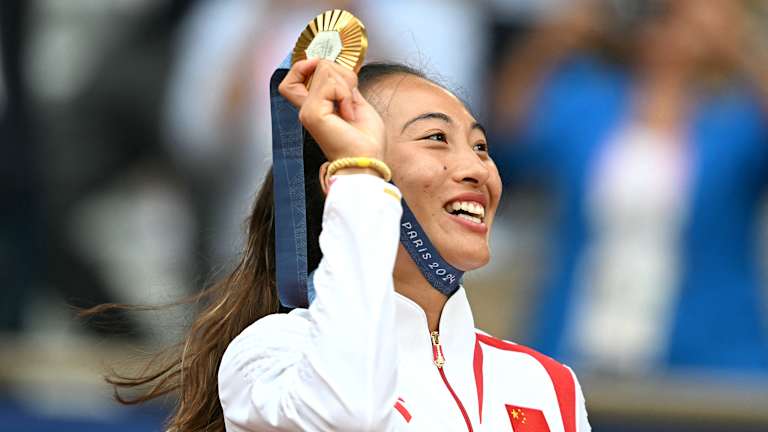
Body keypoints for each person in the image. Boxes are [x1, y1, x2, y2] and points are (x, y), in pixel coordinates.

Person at [94, 59, 591, 431]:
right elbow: (347, 411)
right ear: (350, 179)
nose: (477, 169)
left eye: (481, 146)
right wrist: (360, 177)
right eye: (436, 139)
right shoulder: (273, 355)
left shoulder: (546, 384)